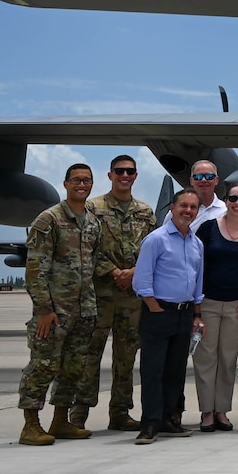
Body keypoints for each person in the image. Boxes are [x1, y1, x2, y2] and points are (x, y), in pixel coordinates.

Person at [18, 163, 102, 447]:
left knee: (73, 367)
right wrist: (43, 310)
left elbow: (92, 262)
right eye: (77, 180)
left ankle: (60, 421)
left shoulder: (92, 220)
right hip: (54, 312)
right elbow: (35, 268)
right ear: (65, 184)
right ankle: (31, 425)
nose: (82, 184)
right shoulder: (48, 220)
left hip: (84, 309)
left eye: (87, 180)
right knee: (43, 365)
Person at [84, 154, 154, 432]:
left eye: (130, 172)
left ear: (136, 176)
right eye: (120, 171)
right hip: (100, 294)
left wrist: (135, 272)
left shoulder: (145, 212)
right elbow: (86, 247)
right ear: (110, 174)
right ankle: (78, 414)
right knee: (90, 356)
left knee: (126, 358)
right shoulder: (92, 208)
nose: (125, 175)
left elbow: (152, 249)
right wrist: (114, 272)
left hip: (131, 298)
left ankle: (120, 413)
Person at [132, 189, 205, 445]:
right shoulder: (156, 239)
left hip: (184, 315)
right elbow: (141, 279)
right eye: (183, 206)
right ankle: (150, 423)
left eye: (193, 207)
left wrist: (196, 315)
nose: (188, 211)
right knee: (153, 370)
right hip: (159, 312)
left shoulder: (197, 244)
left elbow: (198, 283)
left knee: (175, 371)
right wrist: (154, 306)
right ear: (172, 208)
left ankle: (167, 419)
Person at [194, 183, 238, 432]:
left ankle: (221, 410)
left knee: (228, 359)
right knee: (205, 358)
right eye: (233, 198)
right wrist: (197, 307)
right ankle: (206, 412)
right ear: (226, 200)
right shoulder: (208, 229)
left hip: (237, 306)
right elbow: (196, 266)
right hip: (208, 302)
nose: (237, 202)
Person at [187, 160, 225, 225]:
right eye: (198, 177)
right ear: (191, 181)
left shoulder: (226, 211)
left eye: (209, 177)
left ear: (216, 180)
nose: (203, 180)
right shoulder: (179, 211)